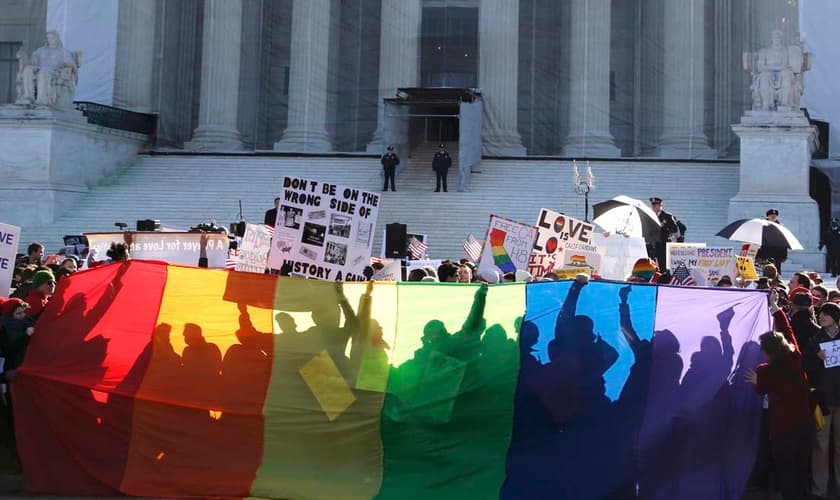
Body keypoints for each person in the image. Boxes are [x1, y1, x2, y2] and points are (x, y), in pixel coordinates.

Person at [745, 290, 813, 500]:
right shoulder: (795, 357)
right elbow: (787, 329)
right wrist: (775, 307)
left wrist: (758, 381)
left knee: (784, 466)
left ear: (766, 351)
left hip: (781, 426)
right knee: (802, 463)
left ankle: (788, 494)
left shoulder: (764, 371)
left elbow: (761, 389)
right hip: (804, 421)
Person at [648, 197, 686, 271]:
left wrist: (664, 227)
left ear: (660, 206)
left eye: (656, 205)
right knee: (651, 264)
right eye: (653, 205)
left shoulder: (667, 216)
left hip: (663, 244)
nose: (654, 207)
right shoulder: (650, 216)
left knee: (663, 265)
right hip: (653, 245)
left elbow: (674, 229)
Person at [757, 209, 788, 273]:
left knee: (777, 271)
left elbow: (784, 241)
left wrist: (784, 254)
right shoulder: (763, 226)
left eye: (775, 216)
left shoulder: (781, 227)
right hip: (766, 252)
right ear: (768, 216)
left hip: (777, 253)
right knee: (766, 270)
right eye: (771, 216)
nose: (773, 217)